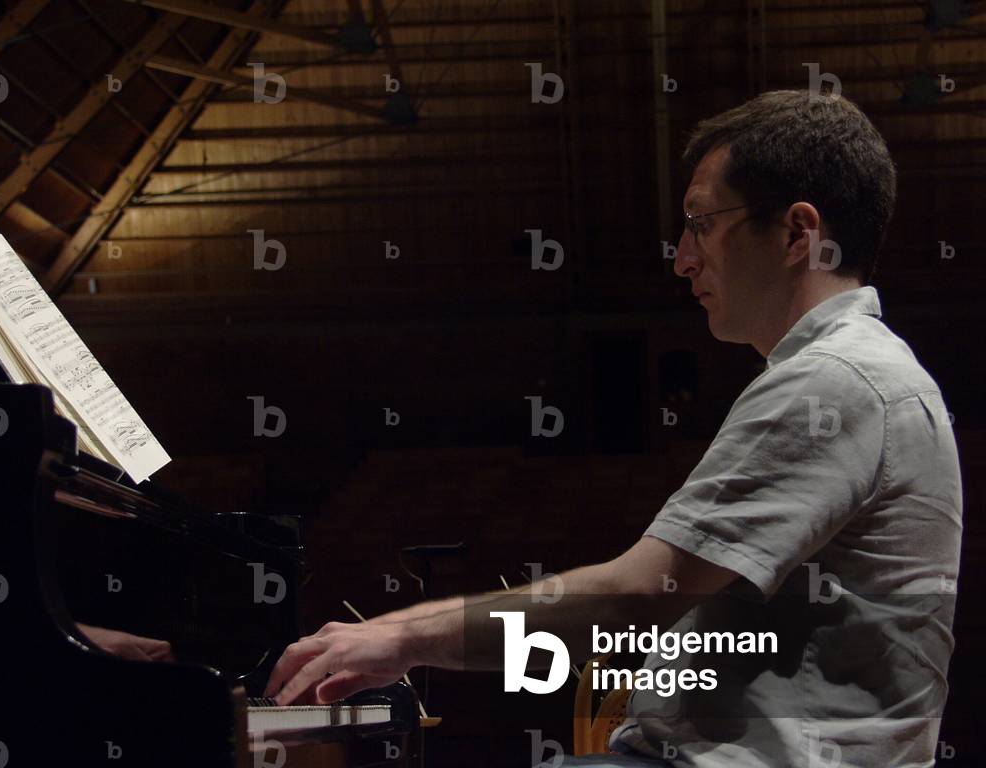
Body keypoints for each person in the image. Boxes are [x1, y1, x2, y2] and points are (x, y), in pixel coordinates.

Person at [265, 90, 963, 767]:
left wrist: (400, 637)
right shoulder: (856, 372)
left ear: (795, 232)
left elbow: (637, 594)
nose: (684, 259)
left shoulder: (835, 380)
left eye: (701, 223)